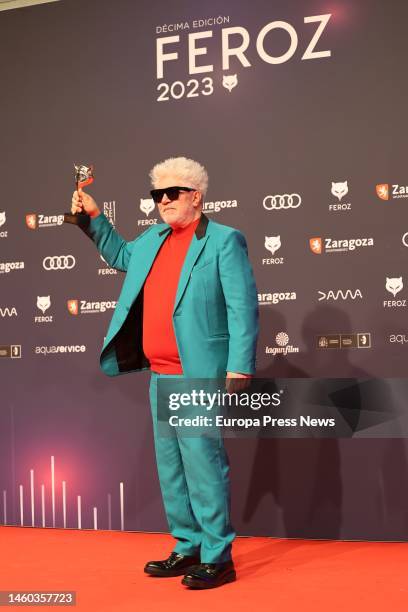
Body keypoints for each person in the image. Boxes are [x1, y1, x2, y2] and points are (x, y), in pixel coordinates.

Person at [70, 156, 259, 589]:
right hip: (160, 374)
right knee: (171, 467)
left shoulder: (224, 241)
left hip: (197, 374)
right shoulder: (152, 238)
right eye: (157, 195)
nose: (163, 202)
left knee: (203, 465)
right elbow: (119, 255)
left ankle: (217, 556)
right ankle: (186, 545)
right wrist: (93, 219)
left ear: (195, 196)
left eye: (172, 193)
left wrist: (239, 364)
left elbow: (242, 307)